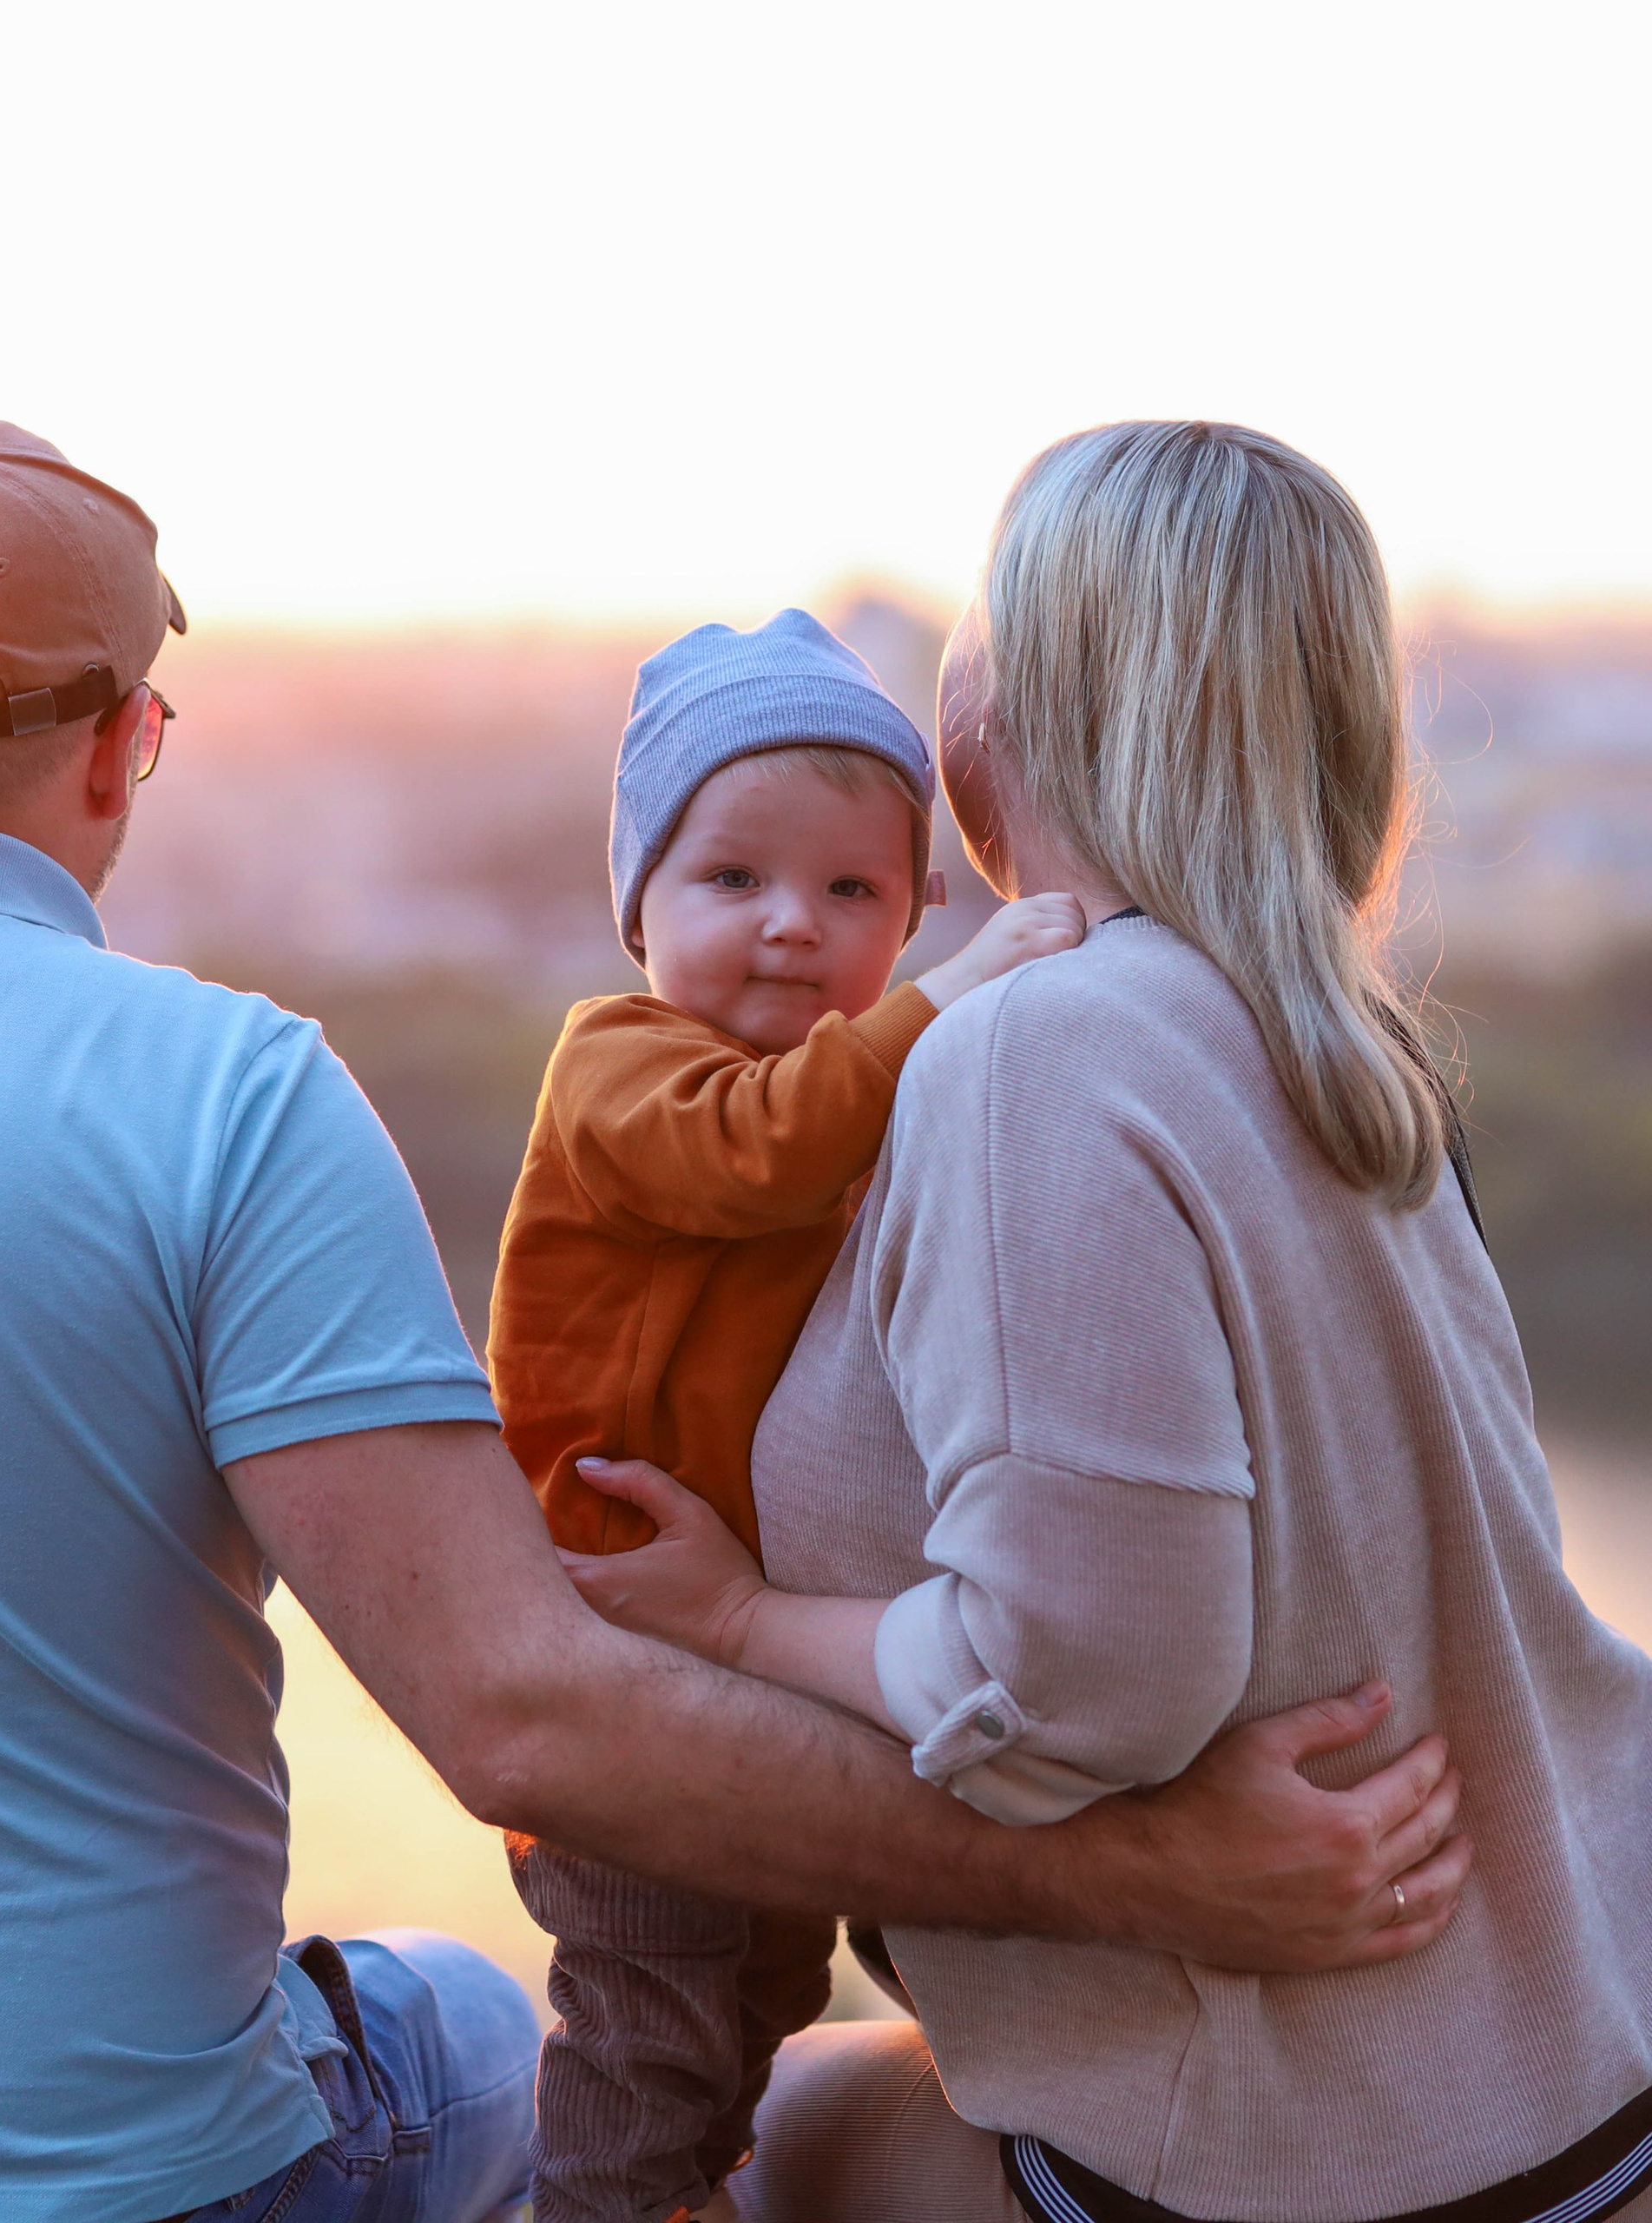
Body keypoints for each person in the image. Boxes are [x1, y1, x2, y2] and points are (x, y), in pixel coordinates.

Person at [0, 422, 1466, 2223]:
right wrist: (1143, 1870)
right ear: (126, 747)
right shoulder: (212, 1090)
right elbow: (521, 1713)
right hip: (104, 2170)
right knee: (483, 2023)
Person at [565, 420, 1652, 2223]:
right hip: (1568, 2048)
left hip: (1319, 2147)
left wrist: (750, 1623)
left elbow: (1088, 1679)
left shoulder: (1036, 1052)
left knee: (750, 2161)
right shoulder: (1328, 1031)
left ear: (1014, 705)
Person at [491, 609, 1082, 2223]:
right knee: (646, 2015)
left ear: (908, 903)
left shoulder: (866, 1096)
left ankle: (711, 2184)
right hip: (624, 1662)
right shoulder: (623, 1070)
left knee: (765, 1987)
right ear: (640, 908)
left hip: (759, 1658)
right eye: (731, 880)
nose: (790, 930)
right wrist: (944, 1007)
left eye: (851, 893)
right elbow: (751, 1151)